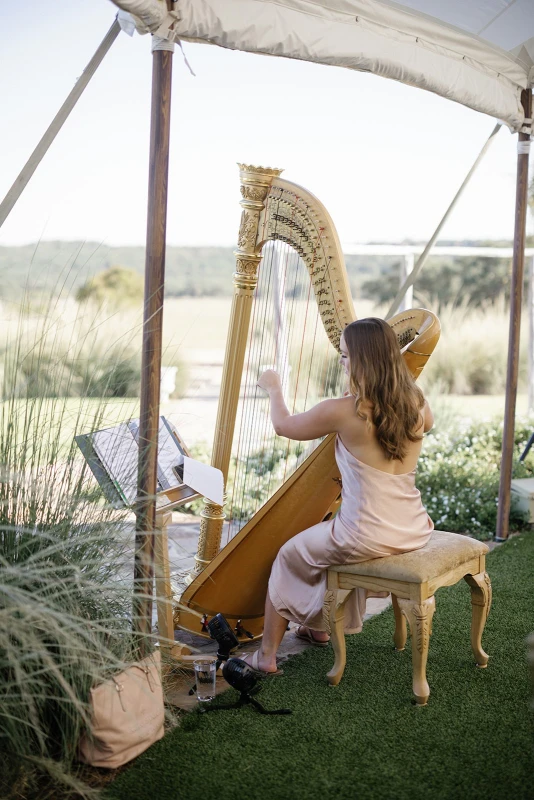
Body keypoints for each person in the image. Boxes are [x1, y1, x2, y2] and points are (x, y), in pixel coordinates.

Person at [241, 317, 434, 675]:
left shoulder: (342, 411)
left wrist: (273, 387)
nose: (341, 362)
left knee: (288, 555)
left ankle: (266, 656)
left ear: (363, 361)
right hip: (413, 528)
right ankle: (317, 628)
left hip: (365, 535)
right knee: (325, 540)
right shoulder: (417, 402)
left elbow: (284, 426)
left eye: (345, 356)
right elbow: (426, 424)